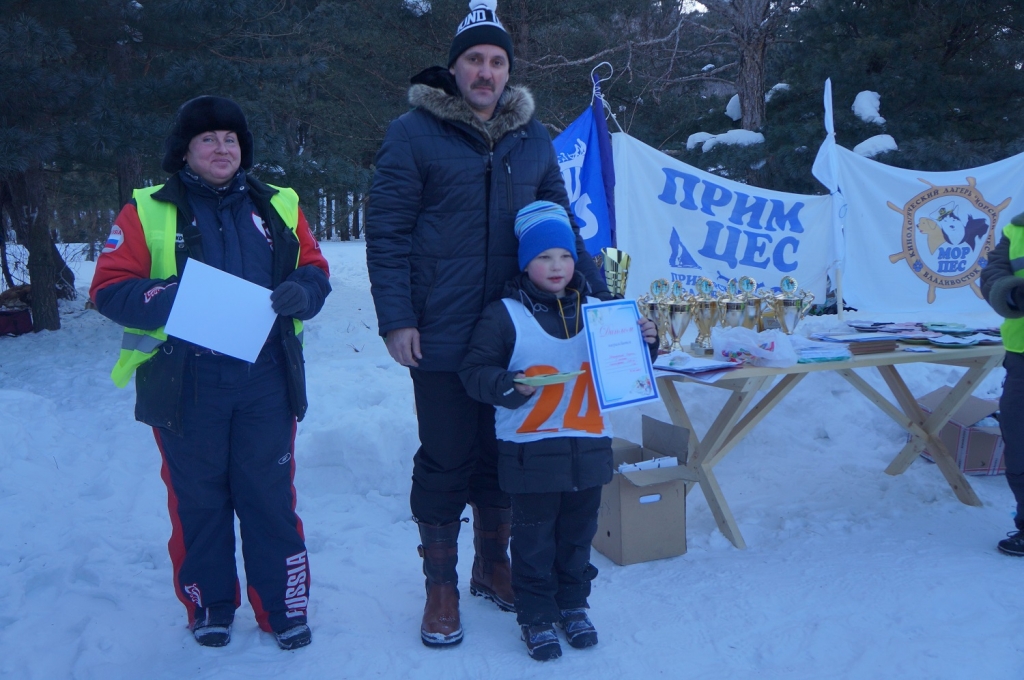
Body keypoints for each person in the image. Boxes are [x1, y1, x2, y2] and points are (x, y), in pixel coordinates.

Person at [365, 0, 611, 648]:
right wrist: (396, 319)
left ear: (509, 70)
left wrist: (603, 301)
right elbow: (386, 232)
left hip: (515, 326)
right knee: (447, 457)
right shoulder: (413, 133)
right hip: (441, 332)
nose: (486, 71)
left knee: (509, 451)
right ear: (454, 68)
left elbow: (560, 221)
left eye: (497, 61)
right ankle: (440, 587)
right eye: (474, 59)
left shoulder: (533, 137)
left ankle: (493, 563)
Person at [89, 95, 331, 650]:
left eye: (231, 140)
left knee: (269, 495)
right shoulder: (146, 209)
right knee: (197, 499)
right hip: (184, 385)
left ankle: (283, 607)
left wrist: (304, 290)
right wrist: (175, 298)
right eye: (208, 140)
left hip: (265, 380)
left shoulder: (278, 203)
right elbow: (108, 288)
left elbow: (315, 269)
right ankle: (210, 604)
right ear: (186, 150)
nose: (222, 149)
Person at [460, 201, 658, 660]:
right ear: (526, 262)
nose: (556, 266)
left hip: (589, 448)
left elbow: (626, 371)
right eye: (544, 257)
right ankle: (534, 615)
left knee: (577, 535)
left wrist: (647, 342)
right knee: (532, 540)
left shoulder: (602, 311)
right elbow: (474, 372)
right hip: (530, 452)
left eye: (565, 256)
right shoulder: (504, 314)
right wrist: (509, 384)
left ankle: (572, 605)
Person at [980, 210, 1024, 556]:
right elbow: (993, 272)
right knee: (1020, 442)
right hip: (1021, 356)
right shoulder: (1016, 228)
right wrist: (1011, 294)